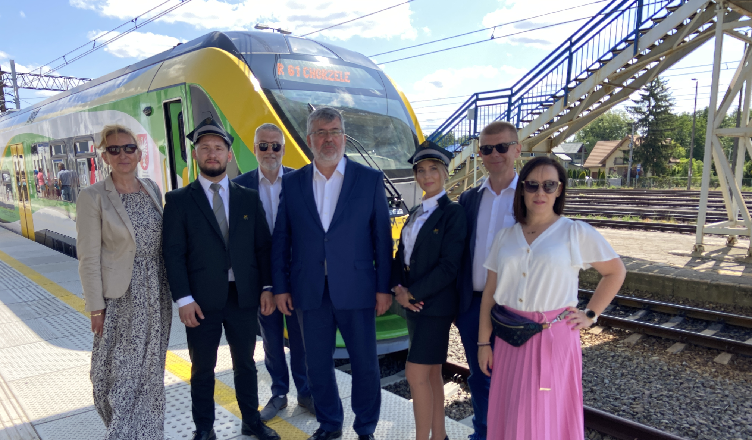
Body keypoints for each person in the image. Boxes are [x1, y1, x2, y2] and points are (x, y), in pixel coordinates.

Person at [478, 156, 626, 440]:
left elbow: (615, 272)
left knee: (545, 416)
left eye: (549, 185)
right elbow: (489, 294)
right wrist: (484, 343)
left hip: (553, 339)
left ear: (559, 190)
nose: (540, 192)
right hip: (510, 338)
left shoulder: (574, 232)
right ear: (522, 189)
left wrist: (591, 314)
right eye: (532, 185)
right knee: (511, 414)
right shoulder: (505, 237)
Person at [272, 107, 392, 440]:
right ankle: (329, 424)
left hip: (357, 287)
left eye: (335, 131)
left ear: (344, 136)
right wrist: (280, 287)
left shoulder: (368, 179)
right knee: (317, 365)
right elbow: (282, 238)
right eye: (321, 133)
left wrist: (384, 288)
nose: (329, 139)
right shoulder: (292, 182)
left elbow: (382, 239)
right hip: (309, 289)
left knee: (365, 364)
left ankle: (365, 428)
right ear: (309, 139)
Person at [162, 118, 280, 440]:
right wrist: (183, 299)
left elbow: (262, 247)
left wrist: (267, 287)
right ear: (195, 155)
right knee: (202, 369)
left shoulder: (247, 197)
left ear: (229, 155)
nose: (211, 153)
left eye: (218, 148)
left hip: (243, 297)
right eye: (205, 148)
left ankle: (251, 421)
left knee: (246, 364)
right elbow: (173, 253)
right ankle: (204, 429)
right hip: (200, 301)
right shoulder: (179, 201)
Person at [76, 124, 172, 439]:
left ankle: (149, 433)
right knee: (118, 373)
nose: (123, 155)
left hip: (156, 293)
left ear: (139, 153)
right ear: (105, 156)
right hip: (121, 299)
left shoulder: (151, 188)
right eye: (114, 150)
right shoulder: (93, 196)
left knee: (150, 372)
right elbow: (88, 257)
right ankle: (122, 432)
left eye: (129, 148)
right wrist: (95, 307)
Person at [233, 123, 314, 420]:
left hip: (296, 276)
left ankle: (305, 392)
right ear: (254, 149)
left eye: (275, 146)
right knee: (271, 339)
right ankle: (279, 392)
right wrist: (262, 285)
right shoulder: (239, 186)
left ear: (283, 149)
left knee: (301, 338)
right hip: (261, 280)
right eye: (263, 146)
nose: (270, 151)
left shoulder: (301, 180)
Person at [391, 141, 466, 440]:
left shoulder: (453, 213)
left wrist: (411, 294)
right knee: (432, 372)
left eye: (433, 169)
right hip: (413, 305)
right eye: (420, 170)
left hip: (434, 307)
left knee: (415, 374)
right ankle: (439, 436)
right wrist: (398, 288)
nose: (426, 175)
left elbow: (449, 266)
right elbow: (402, 256)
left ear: (445, 172)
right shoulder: (415, 212)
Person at [455, 121, 521, 440]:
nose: (494, 154)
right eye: (486, 148)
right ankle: (483, 434)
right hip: (473, 305)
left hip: (515, 308)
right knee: (480, 377)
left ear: (517, 150)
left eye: (502, 147)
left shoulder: (530, 196)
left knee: (516, 380)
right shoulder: (469, 199)